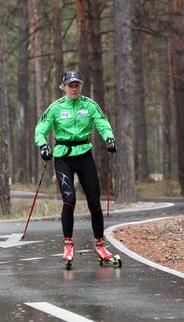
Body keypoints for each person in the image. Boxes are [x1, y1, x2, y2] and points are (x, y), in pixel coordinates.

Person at [34, 71, 119, 268]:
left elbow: (102, 122)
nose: (74, 88)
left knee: (93, 200)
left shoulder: (89, 104)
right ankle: (68, 245)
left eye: (77, 85)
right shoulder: (55, 107)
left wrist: (109, 138)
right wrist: (43, 146)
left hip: (84, 155)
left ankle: (100, 246)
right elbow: (41, 129)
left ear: (81, 86)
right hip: (63, 157)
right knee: (69, 199)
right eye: (70, 85)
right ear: (63, 87)